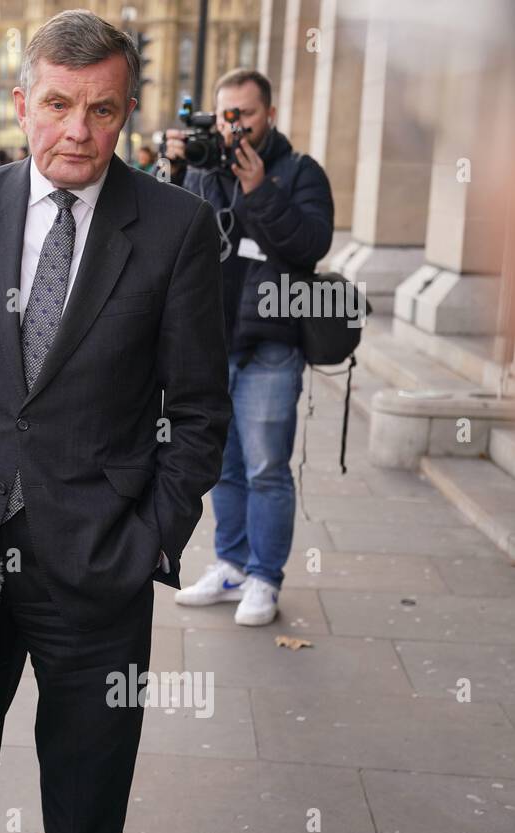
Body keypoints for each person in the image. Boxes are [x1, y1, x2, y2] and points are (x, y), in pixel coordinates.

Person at [0, 9, 230, 833]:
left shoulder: (178, 227)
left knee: (86, 816)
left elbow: (199, 414)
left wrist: (148, 541)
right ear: (21, 102)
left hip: (98, 567)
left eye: (103, 110)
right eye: (59, 104)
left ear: (128, 111)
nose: (79, 129)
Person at [164, 68, 334, 627]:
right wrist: (176, 169)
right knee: (224, 468)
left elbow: (310, 245)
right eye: (226, 115)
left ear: (270, 115)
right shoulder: (205, 166)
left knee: (266, 468)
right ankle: (232, 565)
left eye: (247, 115)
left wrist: (261, 191)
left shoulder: (300, 172)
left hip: (270, 346)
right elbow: (171, 237)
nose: (235, 127)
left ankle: (265, 576)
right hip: (211, 344)